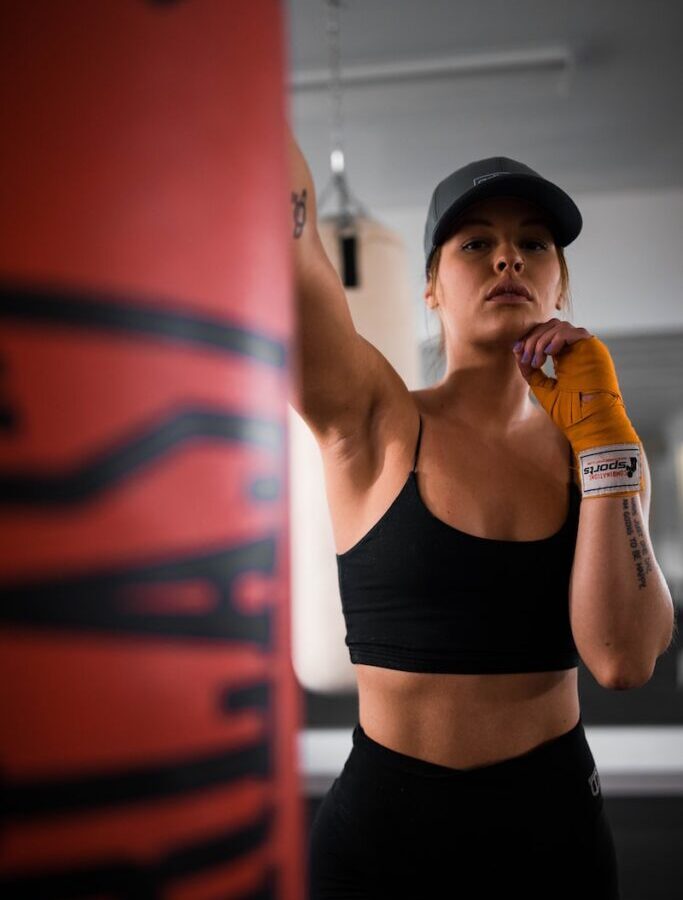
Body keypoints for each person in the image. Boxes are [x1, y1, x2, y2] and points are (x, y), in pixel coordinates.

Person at [290, 141, 644, 899]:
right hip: (383, 845)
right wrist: (245, 113)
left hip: (552, 839)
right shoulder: (376, 422)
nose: (508, 258)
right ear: (430, 287)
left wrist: (605, 433)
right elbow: (289, 265)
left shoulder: (602, 455)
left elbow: (624, 660)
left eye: (533, 244)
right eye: (476, 243)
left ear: (559, 281)